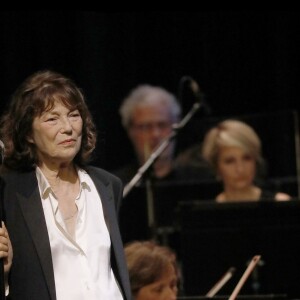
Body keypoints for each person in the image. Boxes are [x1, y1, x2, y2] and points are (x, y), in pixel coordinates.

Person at [0, 70, 132, 300]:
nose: (68, 127)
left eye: (73, 115)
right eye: (52, 119)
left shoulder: (107, 185)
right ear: (28, 133)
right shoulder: (11, 192)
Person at [113, 84, 211, 186]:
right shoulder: (116, 185)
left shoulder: (199, 180)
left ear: (176, 126)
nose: (155, 134)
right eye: (146, 127)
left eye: (162, 125)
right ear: (130, 131)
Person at [201, 119, 291, 202]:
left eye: (247, 158)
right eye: (230, 161)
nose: (240, 169)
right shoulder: (207, 212)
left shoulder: (280, 203)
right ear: (216, 166)